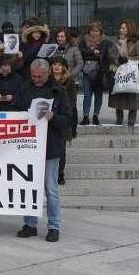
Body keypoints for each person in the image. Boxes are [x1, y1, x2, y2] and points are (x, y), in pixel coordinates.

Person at [15, 59, 73, 243]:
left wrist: (53, 117)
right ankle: (30, 224)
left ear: (48, 74)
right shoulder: (25, 88)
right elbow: (15, 111)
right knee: (30, 186)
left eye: (40, 76)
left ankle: (54, 226)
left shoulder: (59, 91)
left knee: (51, 190)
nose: (37, 79)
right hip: (28, 146)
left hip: (50, 146)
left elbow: (69, 120)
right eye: (34, 76)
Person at [78, 22, 115, 126]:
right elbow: (81, 52)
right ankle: (85, 116)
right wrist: (92, 52)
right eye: (92, 31)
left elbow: (108, 55)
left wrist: (96, 55)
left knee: (98, 95)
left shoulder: (106, 42)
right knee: (87, 94)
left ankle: (96, 116)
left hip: (100, 71)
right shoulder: (83, 41)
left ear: (100, 32)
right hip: (87, 71)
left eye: (96, 31)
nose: (94, 33)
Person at [108, 20, 139, 126]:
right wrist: (116, 59)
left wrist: (128, 59)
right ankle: (119, 119)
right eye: (121, 28)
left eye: (123, 28)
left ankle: (131, 119)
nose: (121, 30)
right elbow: (110, 54)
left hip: (131, 71)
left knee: (132, 93)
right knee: (118, 93)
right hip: (118, 70)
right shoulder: (117, 41)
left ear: (129, 29)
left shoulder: (136, 42)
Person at [51, 56, 78, 185]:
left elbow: (72, 102)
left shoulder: (69, 81)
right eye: (54, 64)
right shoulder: (47, 80)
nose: (56, 67)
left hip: (63, 118)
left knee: (61, 149)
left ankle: (60, 174)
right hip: (48, 119)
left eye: (59, 64)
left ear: (64, 67)